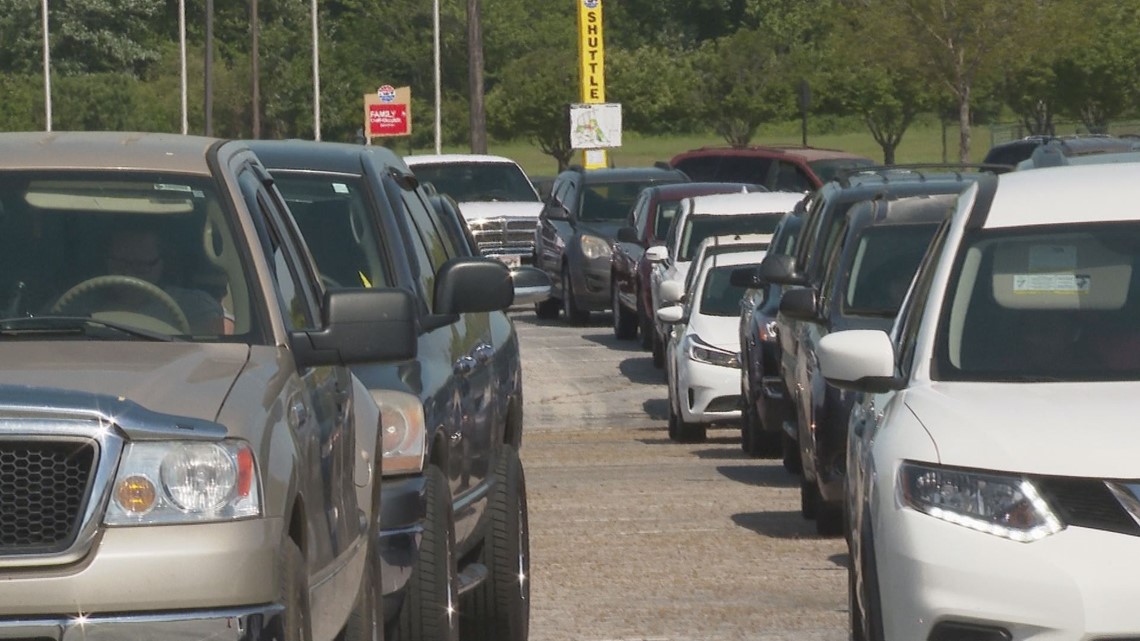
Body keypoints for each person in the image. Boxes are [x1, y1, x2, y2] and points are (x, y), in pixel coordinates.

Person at [100, 228, 227, 334]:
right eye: (120, 263)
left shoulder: (195, 307)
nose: (129, 273)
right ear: (107, 261)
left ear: (163, 264)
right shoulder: (83, 304)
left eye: (141, 265)